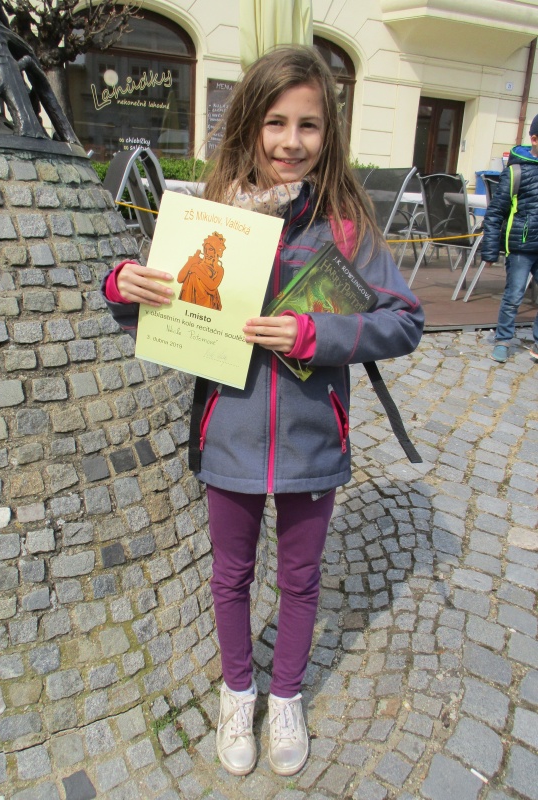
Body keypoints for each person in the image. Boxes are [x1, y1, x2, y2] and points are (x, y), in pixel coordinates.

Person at [102, 46, 424, 778]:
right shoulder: (210, 218)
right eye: (276, 122)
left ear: (329, 133)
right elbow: (154, 306)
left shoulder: (346, 226)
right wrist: (124, 284)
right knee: (231, 576)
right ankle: (237, 690)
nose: (291, 141)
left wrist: (318, 334)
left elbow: (404, 320)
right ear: (250, 125)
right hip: (230, 437)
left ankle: (286, 696)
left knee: (301, 580)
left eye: (309, 125)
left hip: (313, 444)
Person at [481, 113, 538, 363]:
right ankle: (503, 339)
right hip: (521, 246)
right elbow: (495, 212)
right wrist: (490, 250)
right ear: (534, 139)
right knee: (514, 296)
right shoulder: (516, 171)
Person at [177, 230, 226, 309]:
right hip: (188, 298)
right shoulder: (196, 261)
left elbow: (212, 286)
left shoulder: (219, 269)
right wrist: (190, 262)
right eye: (205, 248)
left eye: (210, 249)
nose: (207, 252)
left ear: (216, 251)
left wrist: (196, 269)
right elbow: (180, 279)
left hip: (207, 304)